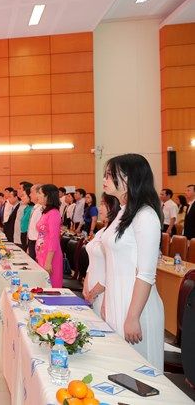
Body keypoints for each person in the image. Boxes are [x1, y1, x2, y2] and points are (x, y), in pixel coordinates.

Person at [101, 153, 164, 370]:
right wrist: (107, 301)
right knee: (117, 370)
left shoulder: (145, 216)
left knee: (138, 375)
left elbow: (146, 273)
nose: (104, 180)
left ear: (128, 178)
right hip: (117, 299)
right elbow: (112, 264)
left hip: (136, 305)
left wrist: (133, 316)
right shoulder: (122, 213)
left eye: (110, 175)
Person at [83, 193, 120, 316]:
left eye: (103, 204)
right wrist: (86, 284)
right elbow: (92, 262)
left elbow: (112, 268)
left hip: (103, 291)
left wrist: (94, 292)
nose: (100, 208)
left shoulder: (115, 235)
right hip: (91, 287)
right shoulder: (101, 231)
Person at [35, 184, 64, 288]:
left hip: (50, 256)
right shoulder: (46, 212)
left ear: (47, 196)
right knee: (42, 286)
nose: (37, 195)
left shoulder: (54, 213)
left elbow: (54, 238)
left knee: (51, 287)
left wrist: (48, 262)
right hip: (42, 253)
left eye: (40, 193)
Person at [27, 184, 43, 261]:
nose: (29, 195)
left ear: (38, 194)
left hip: (37, 242)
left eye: (31, 192)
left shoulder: (41, 209)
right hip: (31, 240)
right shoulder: (35, 207)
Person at [16, 184, 34, 252]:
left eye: (23, 195)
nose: (21, 198)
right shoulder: (27, 207)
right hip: (23, 234)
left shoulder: (33, 209)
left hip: (28, 237)